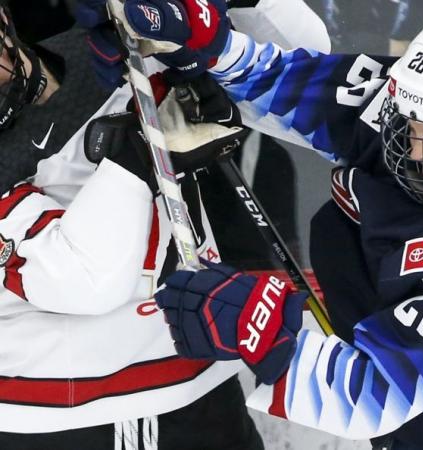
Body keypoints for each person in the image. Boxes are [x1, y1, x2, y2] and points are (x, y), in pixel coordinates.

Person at [154, 7, 423, 450]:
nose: (415, 151)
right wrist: (216, 49)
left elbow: (364, 393)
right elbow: (300, 89)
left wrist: (255, 325)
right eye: (409, 127)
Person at [0, 1, 329, 449]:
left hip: (198, 381)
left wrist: (215, 17)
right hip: (58, 415)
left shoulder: (117, 48)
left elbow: (305, 57)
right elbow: (85, 278)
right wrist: (144, 146)